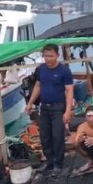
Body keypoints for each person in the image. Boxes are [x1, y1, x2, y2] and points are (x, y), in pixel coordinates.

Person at [25, 44, 74, 172]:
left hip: (58, 107)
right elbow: (38, 86)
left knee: (57, 136)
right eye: (46, 56)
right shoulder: (41, 69)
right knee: (45, 136)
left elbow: (69, 91)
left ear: (57, 55)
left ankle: (58, 163)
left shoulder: (64, 71)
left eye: (51, 56)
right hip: (44, 108)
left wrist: (68, 111)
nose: (48, 59)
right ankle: (49, 161)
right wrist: (30, 103)